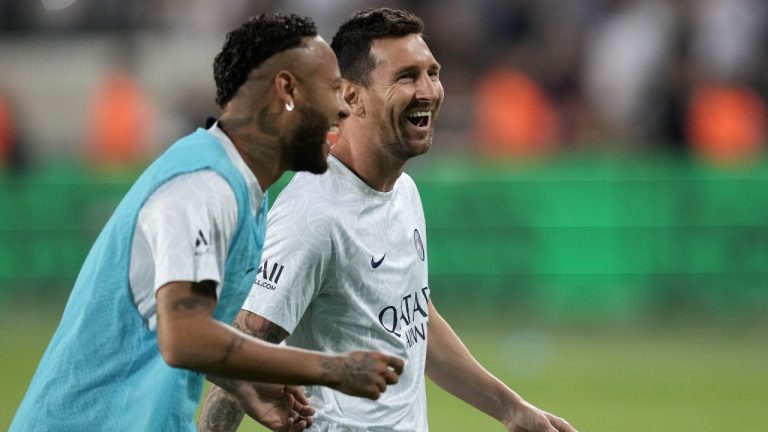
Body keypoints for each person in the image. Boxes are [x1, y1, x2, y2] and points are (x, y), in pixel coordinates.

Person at [10, 13, 404, 432]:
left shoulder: (240, 189)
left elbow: (161, 325)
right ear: (287, 89)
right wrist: (332, 369)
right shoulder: (202, 187)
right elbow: (185, 336)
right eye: (332, 91)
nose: (344, 108)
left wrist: (242, 381)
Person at [199, 8, 577, 432]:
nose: (429, 91)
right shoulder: (314, 216)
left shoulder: (403, 191)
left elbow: (415, 322)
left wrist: (511, 409)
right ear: (350, 97)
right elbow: (239, 351)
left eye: (432, 73)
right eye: (406, 77)